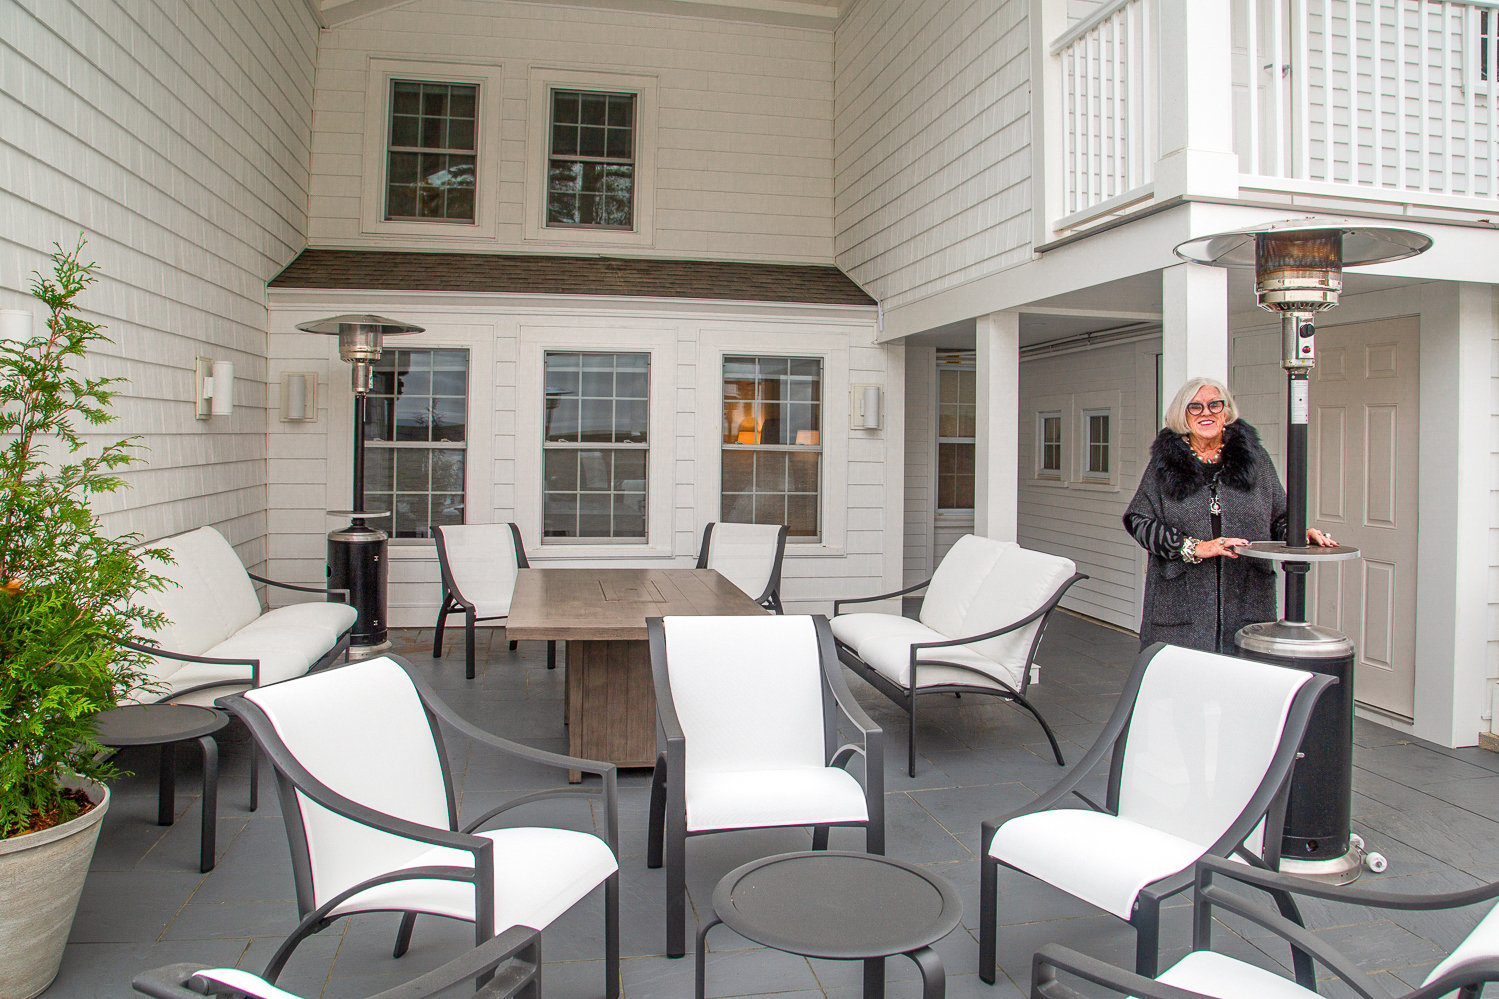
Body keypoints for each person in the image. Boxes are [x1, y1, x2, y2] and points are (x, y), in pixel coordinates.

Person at [1123, 377, 1337, 652]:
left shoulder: (1254, 460)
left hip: (1247, 596)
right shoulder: (1165, 465)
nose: (1207, 413)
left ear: (1226, 412)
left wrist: (1298, 534)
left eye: (1215, 405)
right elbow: (1139, 520)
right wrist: (1193, 547)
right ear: (1183, 415)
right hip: (1181, 599)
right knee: (1184, 683)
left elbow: (1278, 518)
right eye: (1195, 407)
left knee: (1241, 681)